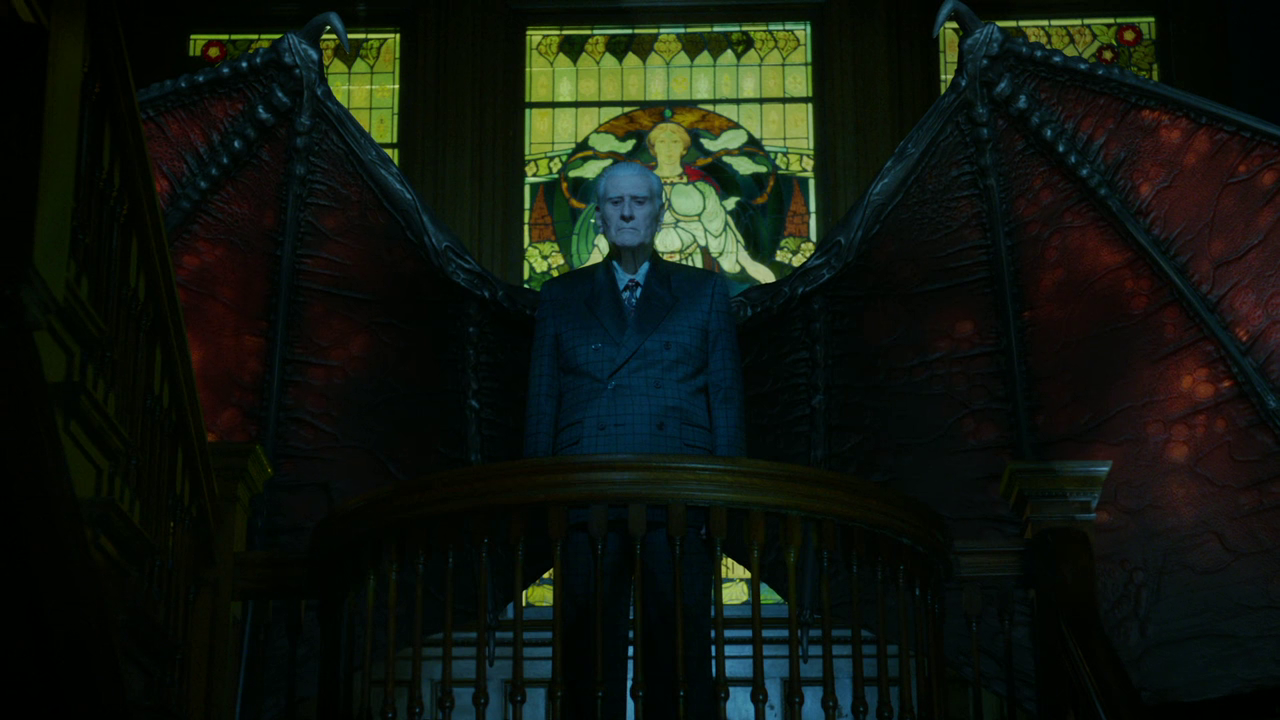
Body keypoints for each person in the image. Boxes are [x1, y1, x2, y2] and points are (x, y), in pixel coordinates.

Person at [524, 161, 746, 718]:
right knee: (584, 650)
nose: (627, 213)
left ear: (659, 214)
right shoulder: (559, 296)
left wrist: (726, 500)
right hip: (584, 492)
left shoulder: (703, 291)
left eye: (639, 202)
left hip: (681, 492)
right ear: (599, 216)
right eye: (615, 203)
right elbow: (543, 402)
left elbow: (725, 397)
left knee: (679, 646)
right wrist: (537, 499)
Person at [577, 122, 776, 285]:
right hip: (643, 268)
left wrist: (750, 264)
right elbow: (616, 230)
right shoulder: (636, 191)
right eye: (662, 142)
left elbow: (721, 230)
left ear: (684, 149)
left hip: (691, 265)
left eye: (675, 142)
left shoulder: (702, 190)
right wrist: (586, 268)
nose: (668, 148)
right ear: (653, 148)